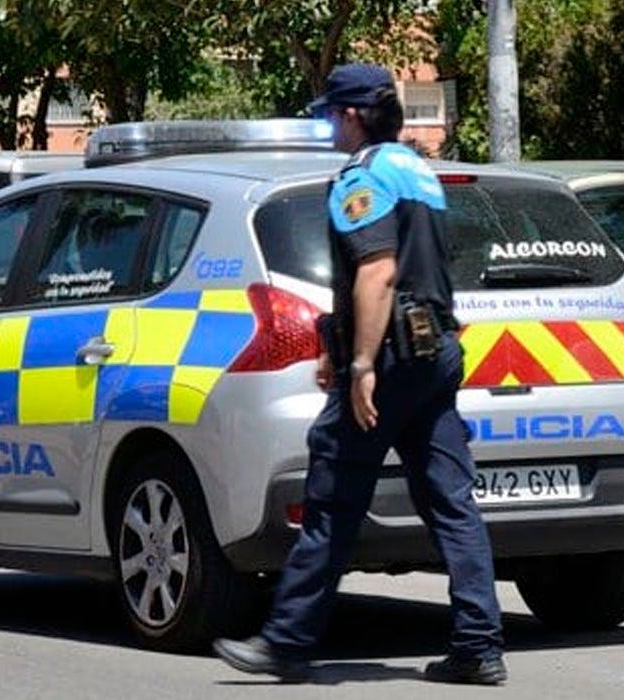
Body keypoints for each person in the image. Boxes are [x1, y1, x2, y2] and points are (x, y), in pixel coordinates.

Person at [212, 63, 506, 684]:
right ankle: (479, 646)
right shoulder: (417, 171)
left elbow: (376, 270)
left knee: (332, 501)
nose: (329, 126)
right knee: (452, 502)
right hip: (433, 352)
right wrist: (332, 340)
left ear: (349, 116)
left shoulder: (362, 180)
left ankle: (286, 641)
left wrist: (362, 364)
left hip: (391, 357)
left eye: (330, 115)